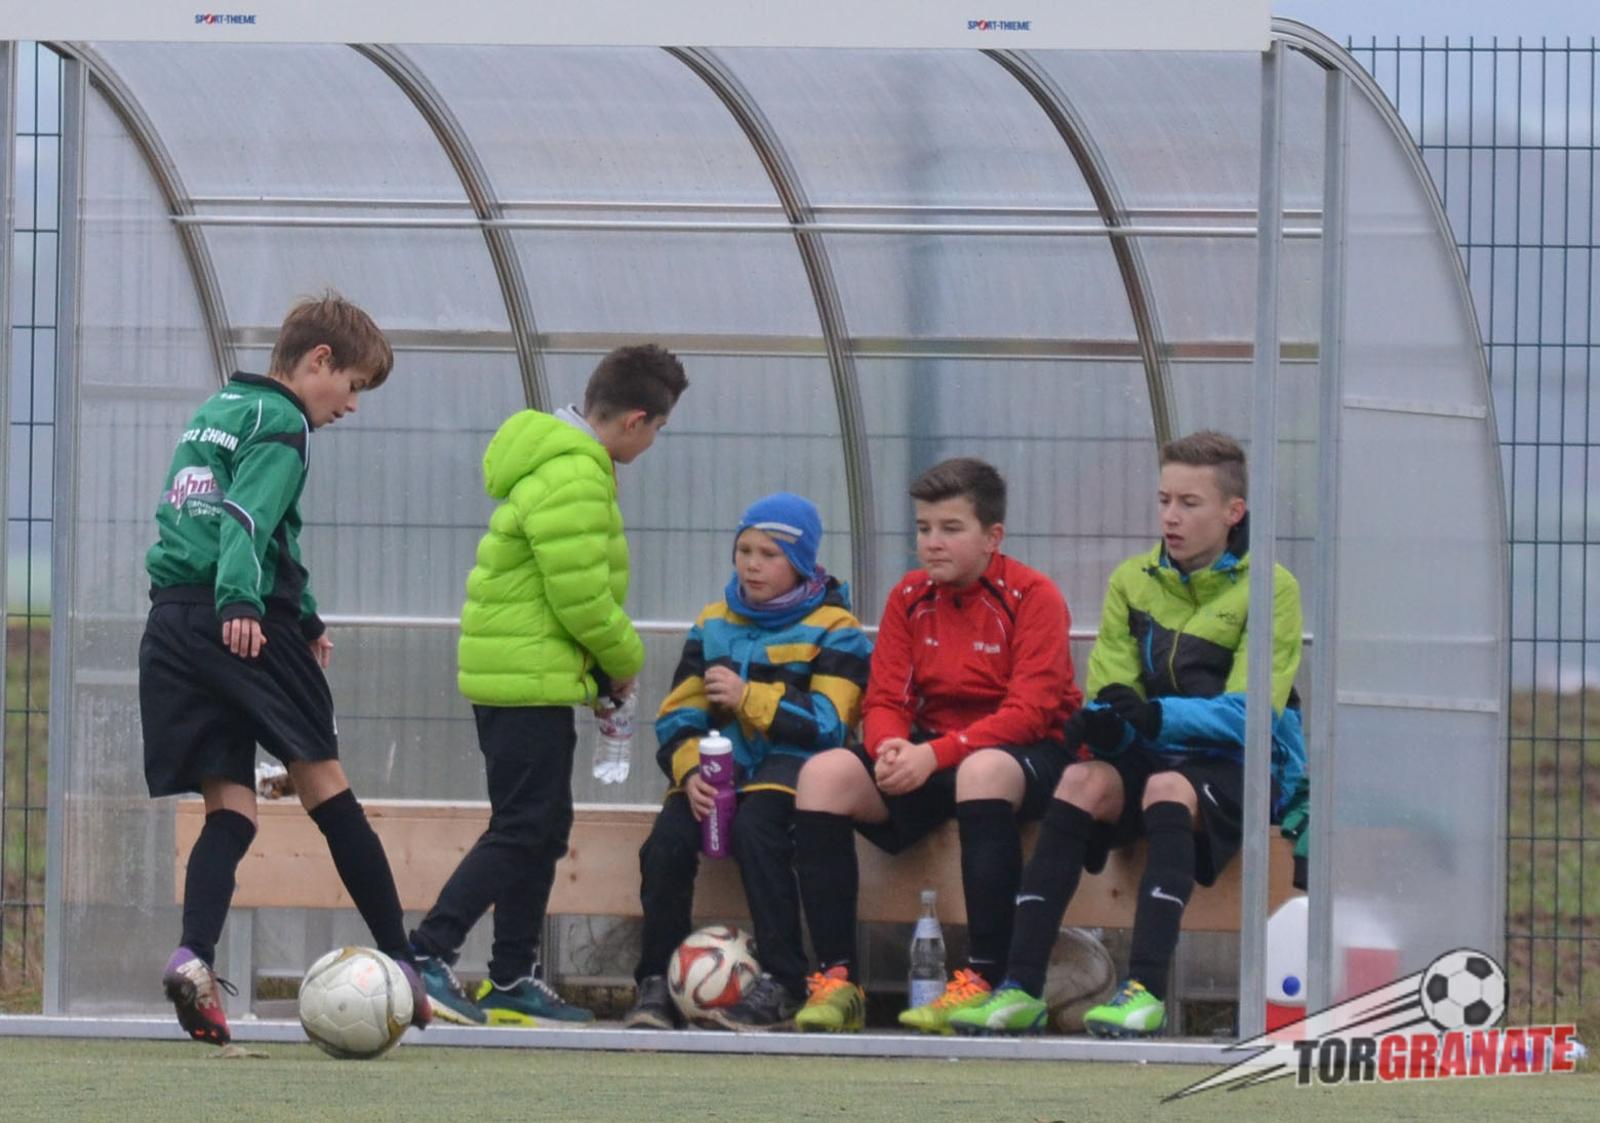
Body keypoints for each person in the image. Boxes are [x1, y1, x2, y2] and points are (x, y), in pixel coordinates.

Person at [948, 430, 1308, 1038]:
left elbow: (1252, 715)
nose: (1171, 516)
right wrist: (1107, 725)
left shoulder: (1272, 587)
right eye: (1164, 500)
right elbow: (1114, 691)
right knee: (1081, 779)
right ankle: (1021, 988)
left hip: (1240, 765)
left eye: (1189, 503)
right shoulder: (1131, 580)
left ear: (1233, 511)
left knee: (1167, 786)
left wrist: (1155, 717)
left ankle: (1144, 992)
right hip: (1154, 756)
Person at [140, 292, 431, 1044]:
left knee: (231, 810)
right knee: (328, 790)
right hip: (239, 623)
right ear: (318, 360)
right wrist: (245, 604)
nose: (351, 405)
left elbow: (249, 527)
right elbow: (247, 517)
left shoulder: (221, 408)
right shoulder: (286, 421)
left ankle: (193, 956)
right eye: (353, 386)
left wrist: (307, 614)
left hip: (172, 622)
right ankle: (405, 963)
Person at [408, 344, 688, 1025]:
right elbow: (581, 597)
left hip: (525, 673)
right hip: (524, 679)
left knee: (540, 827)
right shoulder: (577, 473)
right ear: (635, 420)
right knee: (523, 826)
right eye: (657, 429)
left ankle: (511, 977)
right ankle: (426, 952)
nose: (652, 443)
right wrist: (623, 659)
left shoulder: (558, 461)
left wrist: (591, 669)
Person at [789, 457, 1083, 1033]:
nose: (932, 543)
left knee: (983, 770)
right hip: (934, 755)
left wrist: (935, 754)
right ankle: (837, 980)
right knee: (823, 776)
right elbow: (884, 698)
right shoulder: (908, 596)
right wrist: (890, 747)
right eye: (924, 528)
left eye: (951, 529)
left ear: (992, 537)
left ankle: (985, 979)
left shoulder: (1034, 596)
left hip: (1029, 754)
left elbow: (1028, 714)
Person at [623, 493, 873, 1032]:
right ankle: (655, 981)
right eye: (744, 551)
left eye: (769, 554)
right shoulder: (712, 622)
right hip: (718, 769)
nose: (752, 565)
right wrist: (690, 771)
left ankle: (784, 981)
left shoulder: (837, 629)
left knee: (758, 829)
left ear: (801, 562)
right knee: (666, 842)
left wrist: (747, 698)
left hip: (795, 766)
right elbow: (677, 715)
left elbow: (830, 724)